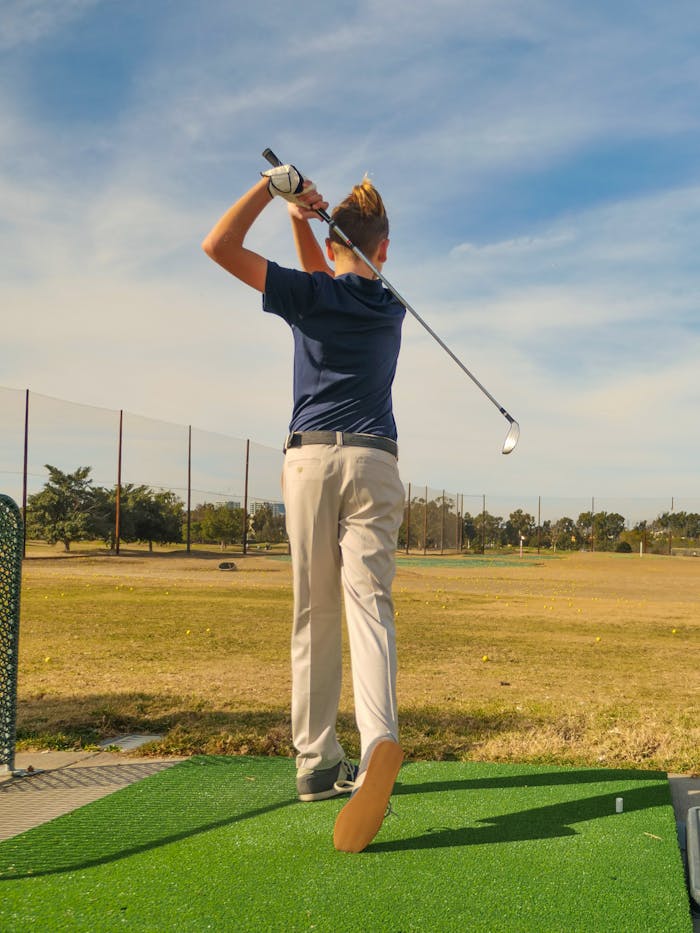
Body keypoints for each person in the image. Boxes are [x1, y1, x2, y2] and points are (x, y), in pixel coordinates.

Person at [202, 161, 406, 852]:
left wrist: (272, 193)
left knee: (313, 611)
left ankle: (318, 763)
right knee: (368, 604)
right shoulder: (391, 304)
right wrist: (303, 217)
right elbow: (334, 272)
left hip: (312, 459)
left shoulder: (310, 296)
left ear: (334, 240)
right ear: (383, 250)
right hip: (376, 460)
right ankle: (379, 740)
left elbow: (218, 247)